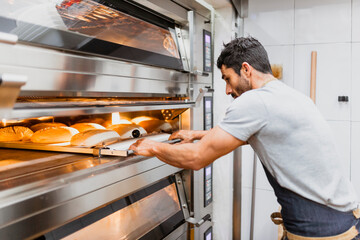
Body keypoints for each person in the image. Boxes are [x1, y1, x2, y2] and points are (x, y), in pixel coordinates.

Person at [129, 36, 360, 239]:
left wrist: (153, 147)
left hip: (320, 231)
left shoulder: (253, 102)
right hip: (344, 219)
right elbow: (247, 133)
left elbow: (197, 158)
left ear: (246, 69)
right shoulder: (287, 95)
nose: (227, 90)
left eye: (227, 79)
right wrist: (196, 134)